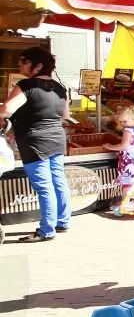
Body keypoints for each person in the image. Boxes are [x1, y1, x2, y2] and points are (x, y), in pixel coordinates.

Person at [0, 47, 71, 242]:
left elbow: (6, 110)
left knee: (44, 186)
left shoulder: (26, 85)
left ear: (37, 65)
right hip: (56, 138)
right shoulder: (60, 88)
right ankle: (62, 221)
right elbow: (65, 116)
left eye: (23, 60)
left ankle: (47, 230)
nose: (19, 64)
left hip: (34, 141)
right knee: (58, 180)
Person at [104, 104, 134, 215]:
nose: (122, 124)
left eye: (124, 121)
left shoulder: (127, 131)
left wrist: (110, 146)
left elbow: (123, 146)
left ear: (133, 119)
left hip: (129, 163)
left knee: (127, 185)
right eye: (120, 122)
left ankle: (125, 203)